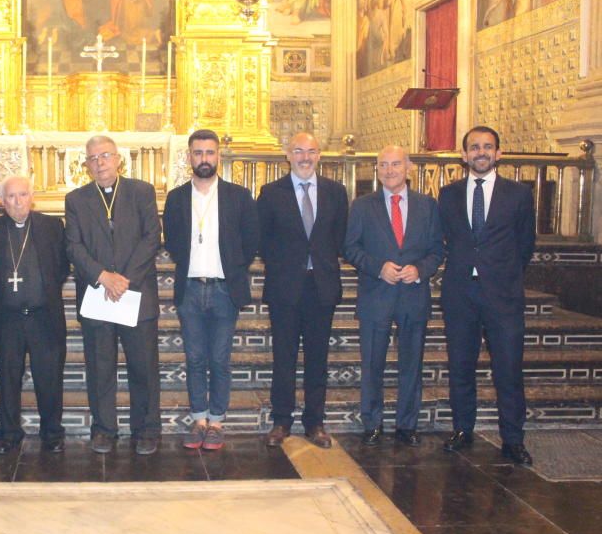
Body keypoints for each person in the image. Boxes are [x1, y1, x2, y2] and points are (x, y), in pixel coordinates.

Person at [439, 126, 535, 465]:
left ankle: (513, 439)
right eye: (474, 147)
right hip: (460, 294)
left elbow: (525, 245)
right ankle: (463, 429)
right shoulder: (447, 194)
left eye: (488, 147)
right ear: (464, 155)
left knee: (508, 369)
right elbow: (447, 239)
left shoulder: (519, 194)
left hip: (503, 296)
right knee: (460, 366)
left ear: (498, 153)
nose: (481, 152)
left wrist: (501, 275)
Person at [65, 135, 162, 455]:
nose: (99, 163)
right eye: (92, 159)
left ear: (118, 159)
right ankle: (104, 428)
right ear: (86, 165)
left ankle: (146, 428)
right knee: (100, 365)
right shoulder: (77, 199)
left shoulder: (141, 191)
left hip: (136, 295)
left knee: (142, 366)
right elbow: (73, 246)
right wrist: (103, 276)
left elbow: (152, 237)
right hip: (97, 294)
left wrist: (125, 279)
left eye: (105, 156)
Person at [163, 130, 258, 451]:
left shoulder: (238, 196)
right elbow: (173, 241)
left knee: (219, 359)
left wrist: (232, 267)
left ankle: (216, 421)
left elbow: (250, 240)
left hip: (223, 290)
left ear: (218, 156)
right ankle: (198, 418)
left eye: (209, 152)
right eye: (198, 153)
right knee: (194, 358)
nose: (204, 158)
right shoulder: (177, 198)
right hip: (190, 288)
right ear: (189, 157)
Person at [344, 145, 444, 447]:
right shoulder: (362, 206)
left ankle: (406, 425)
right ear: (377, 169)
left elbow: (438, 249)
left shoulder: (428, 206)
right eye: (383, 165)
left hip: (413, 295)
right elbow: (350, 248)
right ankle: (372, 423)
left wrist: (421, 269)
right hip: (377, 295)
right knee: (372, 364)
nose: (389, 170)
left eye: (395, 164)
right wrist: (378, 268)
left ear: (409, 167)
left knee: (411, 365)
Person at [257, 132, 348, 449]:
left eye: (311, 151)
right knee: (283, 357)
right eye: (298, 151)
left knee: (317, 358)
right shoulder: (270, 193)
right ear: (287, 155)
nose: (305, 157)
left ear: (319, 155)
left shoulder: (336, 192)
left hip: (321, 285)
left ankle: (315, 422)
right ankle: (281, 421)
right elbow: (262, 240)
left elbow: (339, 237)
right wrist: (288, 265)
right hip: (285, 287)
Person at [0, 176, 69, 454]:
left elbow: (60, 267)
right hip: (7, 320)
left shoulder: (52, 227)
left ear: (32, 197)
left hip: (43, 318)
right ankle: (9, 433)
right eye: (11, 197)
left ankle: (52, 432)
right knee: (8, 379)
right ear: (3, 201)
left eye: (23, 195)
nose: (17, 202)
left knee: (49, 379)